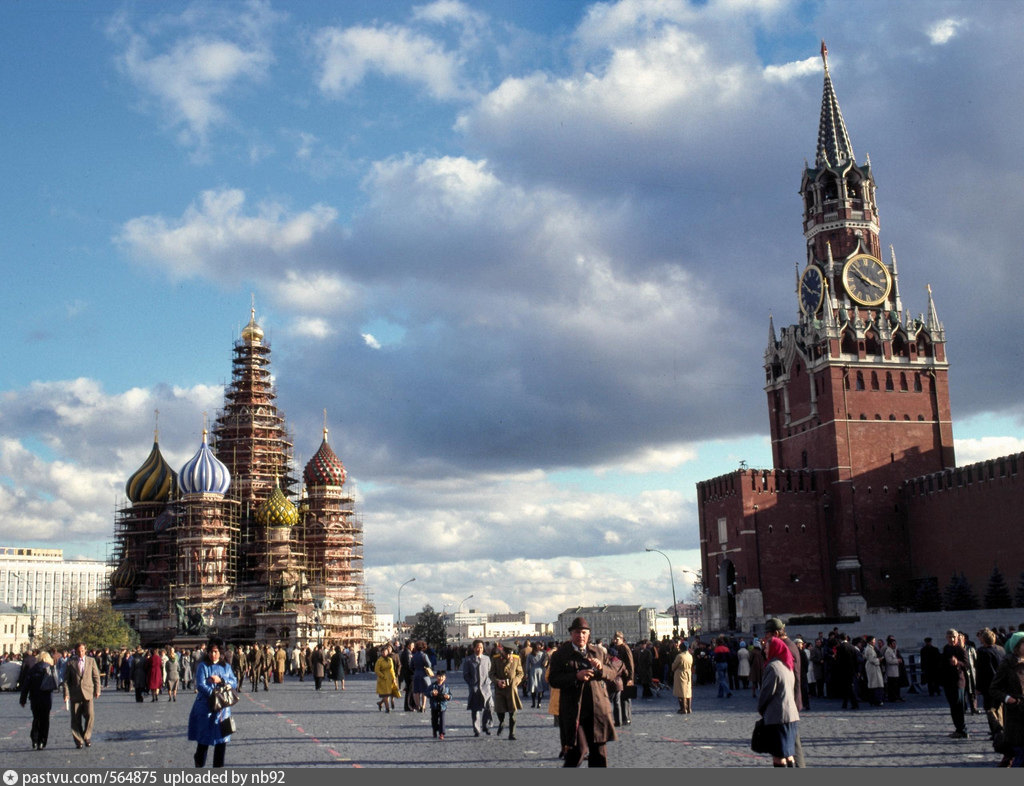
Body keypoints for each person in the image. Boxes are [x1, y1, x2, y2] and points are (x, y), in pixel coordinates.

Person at [547, 616, 624, 768]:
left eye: (584, 632)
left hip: (597, 710)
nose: (580, 636)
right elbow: (553, 679)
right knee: (577, 752)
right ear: (571, 634)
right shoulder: (560, 655)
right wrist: (576, 676)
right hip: (574, 710)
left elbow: (614, 671)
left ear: (588, 634)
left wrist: (601, 668)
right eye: (577, 632)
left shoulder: (598, 652)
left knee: (599, 754)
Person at [188, 637, 238, 768]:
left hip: (222, 710)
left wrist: (221, 681)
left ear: (220, 652)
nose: (212, 654)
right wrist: (214, 693)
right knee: (203, 741)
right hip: (206, 708)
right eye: (210, 651)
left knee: (221, 742)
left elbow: (234, 682)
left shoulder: (226, 667)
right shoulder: (203, 666)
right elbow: (200, 685)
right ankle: (199, 763)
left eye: (215, 651)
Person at [757, 637, 800, 767]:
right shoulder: (788, 665)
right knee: (789, 754)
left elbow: (767, 692)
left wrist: (761, 708)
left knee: (778, 756)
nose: (764, 650)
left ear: (774, 649)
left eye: (767, 648)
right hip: (791, 716)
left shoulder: (773, 667)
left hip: (777, 717)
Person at [990, 631, 1024, 766]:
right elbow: (994, 689)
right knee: (1020, 753)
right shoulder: (1007, 664)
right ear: (1017, 646)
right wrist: (1008, 699)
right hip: (1016, 715)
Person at [63, 642, 102, 749]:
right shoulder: (70, 663)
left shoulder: (91, 661)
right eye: (79, 651)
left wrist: (98, 690)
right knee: (75, 719)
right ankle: (78, 740)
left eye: (83, 650)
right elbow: (66, 681)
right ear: (75, 651)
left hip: (88, 692)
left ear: (86, 650)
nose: (81, 653)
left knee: (90, 715)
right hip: (75, 693)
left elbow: (96, 677)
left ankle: (87, 736)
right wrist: (66, 694)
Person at [20, 650, 58, 750]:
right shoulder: (50, 668)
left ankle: (35, 740)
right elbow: (56, 682)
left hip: (35, 698)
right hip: (47, 698)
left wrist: (23, 699)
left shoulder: (32, 670)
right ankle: (42, 741)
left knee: (36, 718)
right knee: (45, 719)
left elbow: (26, 686)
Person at [976, 628, 1007, 743]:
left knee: (989, 709)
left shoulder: (982, 652)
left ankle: (997, 731)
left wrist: (978, 687)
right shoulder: (1001, 649)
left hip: (989, 684)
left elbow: (981, 671)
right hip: (1002, 684)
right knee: (1000, 707)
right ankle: (1002, 727)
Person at [490, 643, 524, 740]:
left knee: (512, 712)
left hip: (511, 689)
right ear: (503, 651)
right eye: (507, 654)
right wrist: (497, 681)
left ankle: (512, 733)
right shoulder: (496, 659)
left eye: (510, 654)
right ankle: (501, 722)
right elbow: (491, 674)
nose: (508, 656)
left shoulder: (516, 659)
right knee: (500, 710)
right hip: (500, 689)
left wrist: (514, 682)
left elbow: (520, 673)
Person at [462, 639, 494, 736]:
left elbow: (490, 672)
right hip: (475, 688)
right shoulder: (468, 660)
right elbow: (465, 675)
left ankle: (485, 725)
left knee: (490, 707)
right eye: (477, 647)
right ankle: (477, 729)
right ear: (474, 648)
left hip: (486, 687)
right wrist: (471, 683)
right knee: (475, 710)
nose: (479, 649)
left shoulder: (487, 659)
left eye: (481, 647)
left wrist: (489, 681)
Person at [942, 628, 970, 739]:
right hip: (948, 681)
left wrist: (957, 662)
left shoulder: (960, 649)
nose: (952, 639)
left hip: (958, 681)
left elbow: (967, 665)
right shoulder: (946, 648)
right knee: (953, 706)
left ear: (957, 637)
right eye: (950, 637)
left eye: (954, 637)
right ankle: (958, 729)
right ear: (946, 638)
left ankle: (962, 729)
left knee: (959, 706)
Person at [608, 632, 635, 726]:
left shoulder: (625, 648)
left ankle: (627, 718)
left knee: (626, 698)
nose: (615, 641)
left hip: (626, 677)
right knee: (621, 698)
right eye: (614, 639)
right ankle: (623, 718)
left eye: (617, 639)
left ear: (622, 639)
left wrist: (630, 678)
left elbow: (630, 664)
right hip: (620, 677)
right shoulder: (617, 648)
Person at [374, 643, 400, 712]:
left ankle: (380, 703)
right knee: (385, 694)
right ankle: (387, 708)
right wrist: (382, 676)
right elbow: (377, 670)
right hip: (383, 679)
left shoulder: (389, 659)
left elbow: (392, 670)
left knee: (389, 693)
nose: (384, 653)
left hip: (390, 678)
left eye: (385, 652)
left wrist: (394, 677)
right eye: (383, 652)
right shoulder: (379, 661)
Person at [428, 670, 452, 740]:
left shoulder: (446, 687)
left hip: (443, 705)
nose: (440, 678)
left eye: (442, 677)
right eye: (439, 676)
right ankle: (435, 730)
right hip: (434, 705)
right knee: (434, 720)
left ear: (445, 678)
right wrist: (432, 693)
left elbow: (450, 695)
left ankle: (442, 733)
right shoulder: (433, 686)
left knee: (442, 719)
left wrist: (448, 697)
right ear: (436, 677)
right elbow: (426, 693)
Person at [671, 641, 693, 714]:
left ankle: (683, 708)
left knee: (681, 691)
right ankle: (689, 708)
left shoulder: (680, 656)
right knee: (688, 691)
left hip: (680, 673)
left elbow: (674, 666)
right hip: (688, 673)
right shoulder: (690, 655)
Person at [862, 635, 885, 706]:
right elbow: (872, 660)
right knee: (875, 685)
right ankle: (876, 700)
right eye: (873, 641)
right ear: (870, 641)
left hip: (873, 668)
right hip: (872, 668)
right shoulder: (869, 649)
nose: (874, 642)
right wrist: (879, 659)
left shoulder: (870, 648)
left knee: (874, 684)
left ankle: (874, 700)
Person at [883, 636, 905, 703]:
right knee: (892, 686)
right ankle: (893, 698)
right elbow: (889, 661)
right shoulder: (888, 651)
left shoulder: (893, 650)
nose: (895, 645)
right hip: (891, 672)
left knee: (896, 686)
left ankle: (897, 697)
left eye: (895, 643)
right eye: (893, 643)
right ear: (890, 644)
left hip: (895, 671)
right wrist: (897, 661)